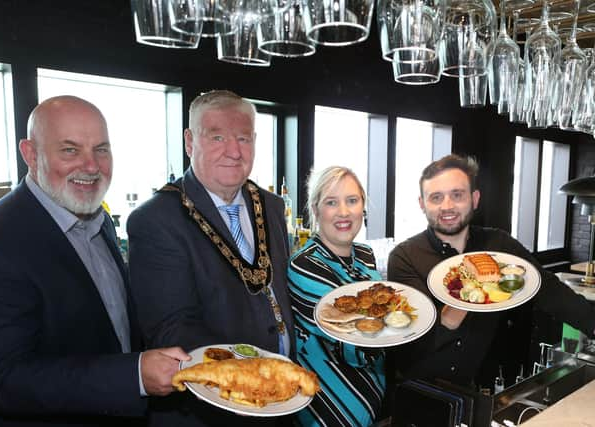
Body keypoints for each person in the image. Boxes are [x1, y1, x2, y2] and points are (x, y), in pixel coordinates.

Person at [0, 95, 190, 427]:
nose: (91, 166)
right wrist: (133, 375)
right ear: (30, 154)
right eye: (70, 150)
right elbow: (5, 380)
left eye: (101, 149)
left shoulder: (98, 217)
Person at [127, 90, 294, 426]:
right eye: (217, 137)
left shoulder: (271, 206)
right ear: (190, 142)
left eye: (243, 138)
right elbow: (171, 327)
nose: (234, 152)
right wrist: (255, 375)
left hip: (281, 403)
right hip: (209, 409)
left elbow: (279, 294)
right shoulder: (157, 219)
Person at [387, 154, 595, 387]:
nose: (447, 206)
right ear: (422, 204)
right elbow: (412, 337)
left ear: (474, 199)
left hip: (478, 386)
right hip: (419, 390)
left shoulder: (500, 246)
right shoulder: (404, 257)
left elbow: (552, 292)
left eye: (457, 195)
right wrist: (469, 291)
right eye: (436, 197)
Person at [288, 166, 386, 427]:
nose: (343, 212)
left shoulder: (364, 254)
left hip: (369, 401)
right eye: (332, 202)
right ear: (316, 209)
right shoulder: (304, 265)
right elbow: (352, 344)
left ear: (362, 206)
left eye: (352, 201)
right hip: (327, 411)